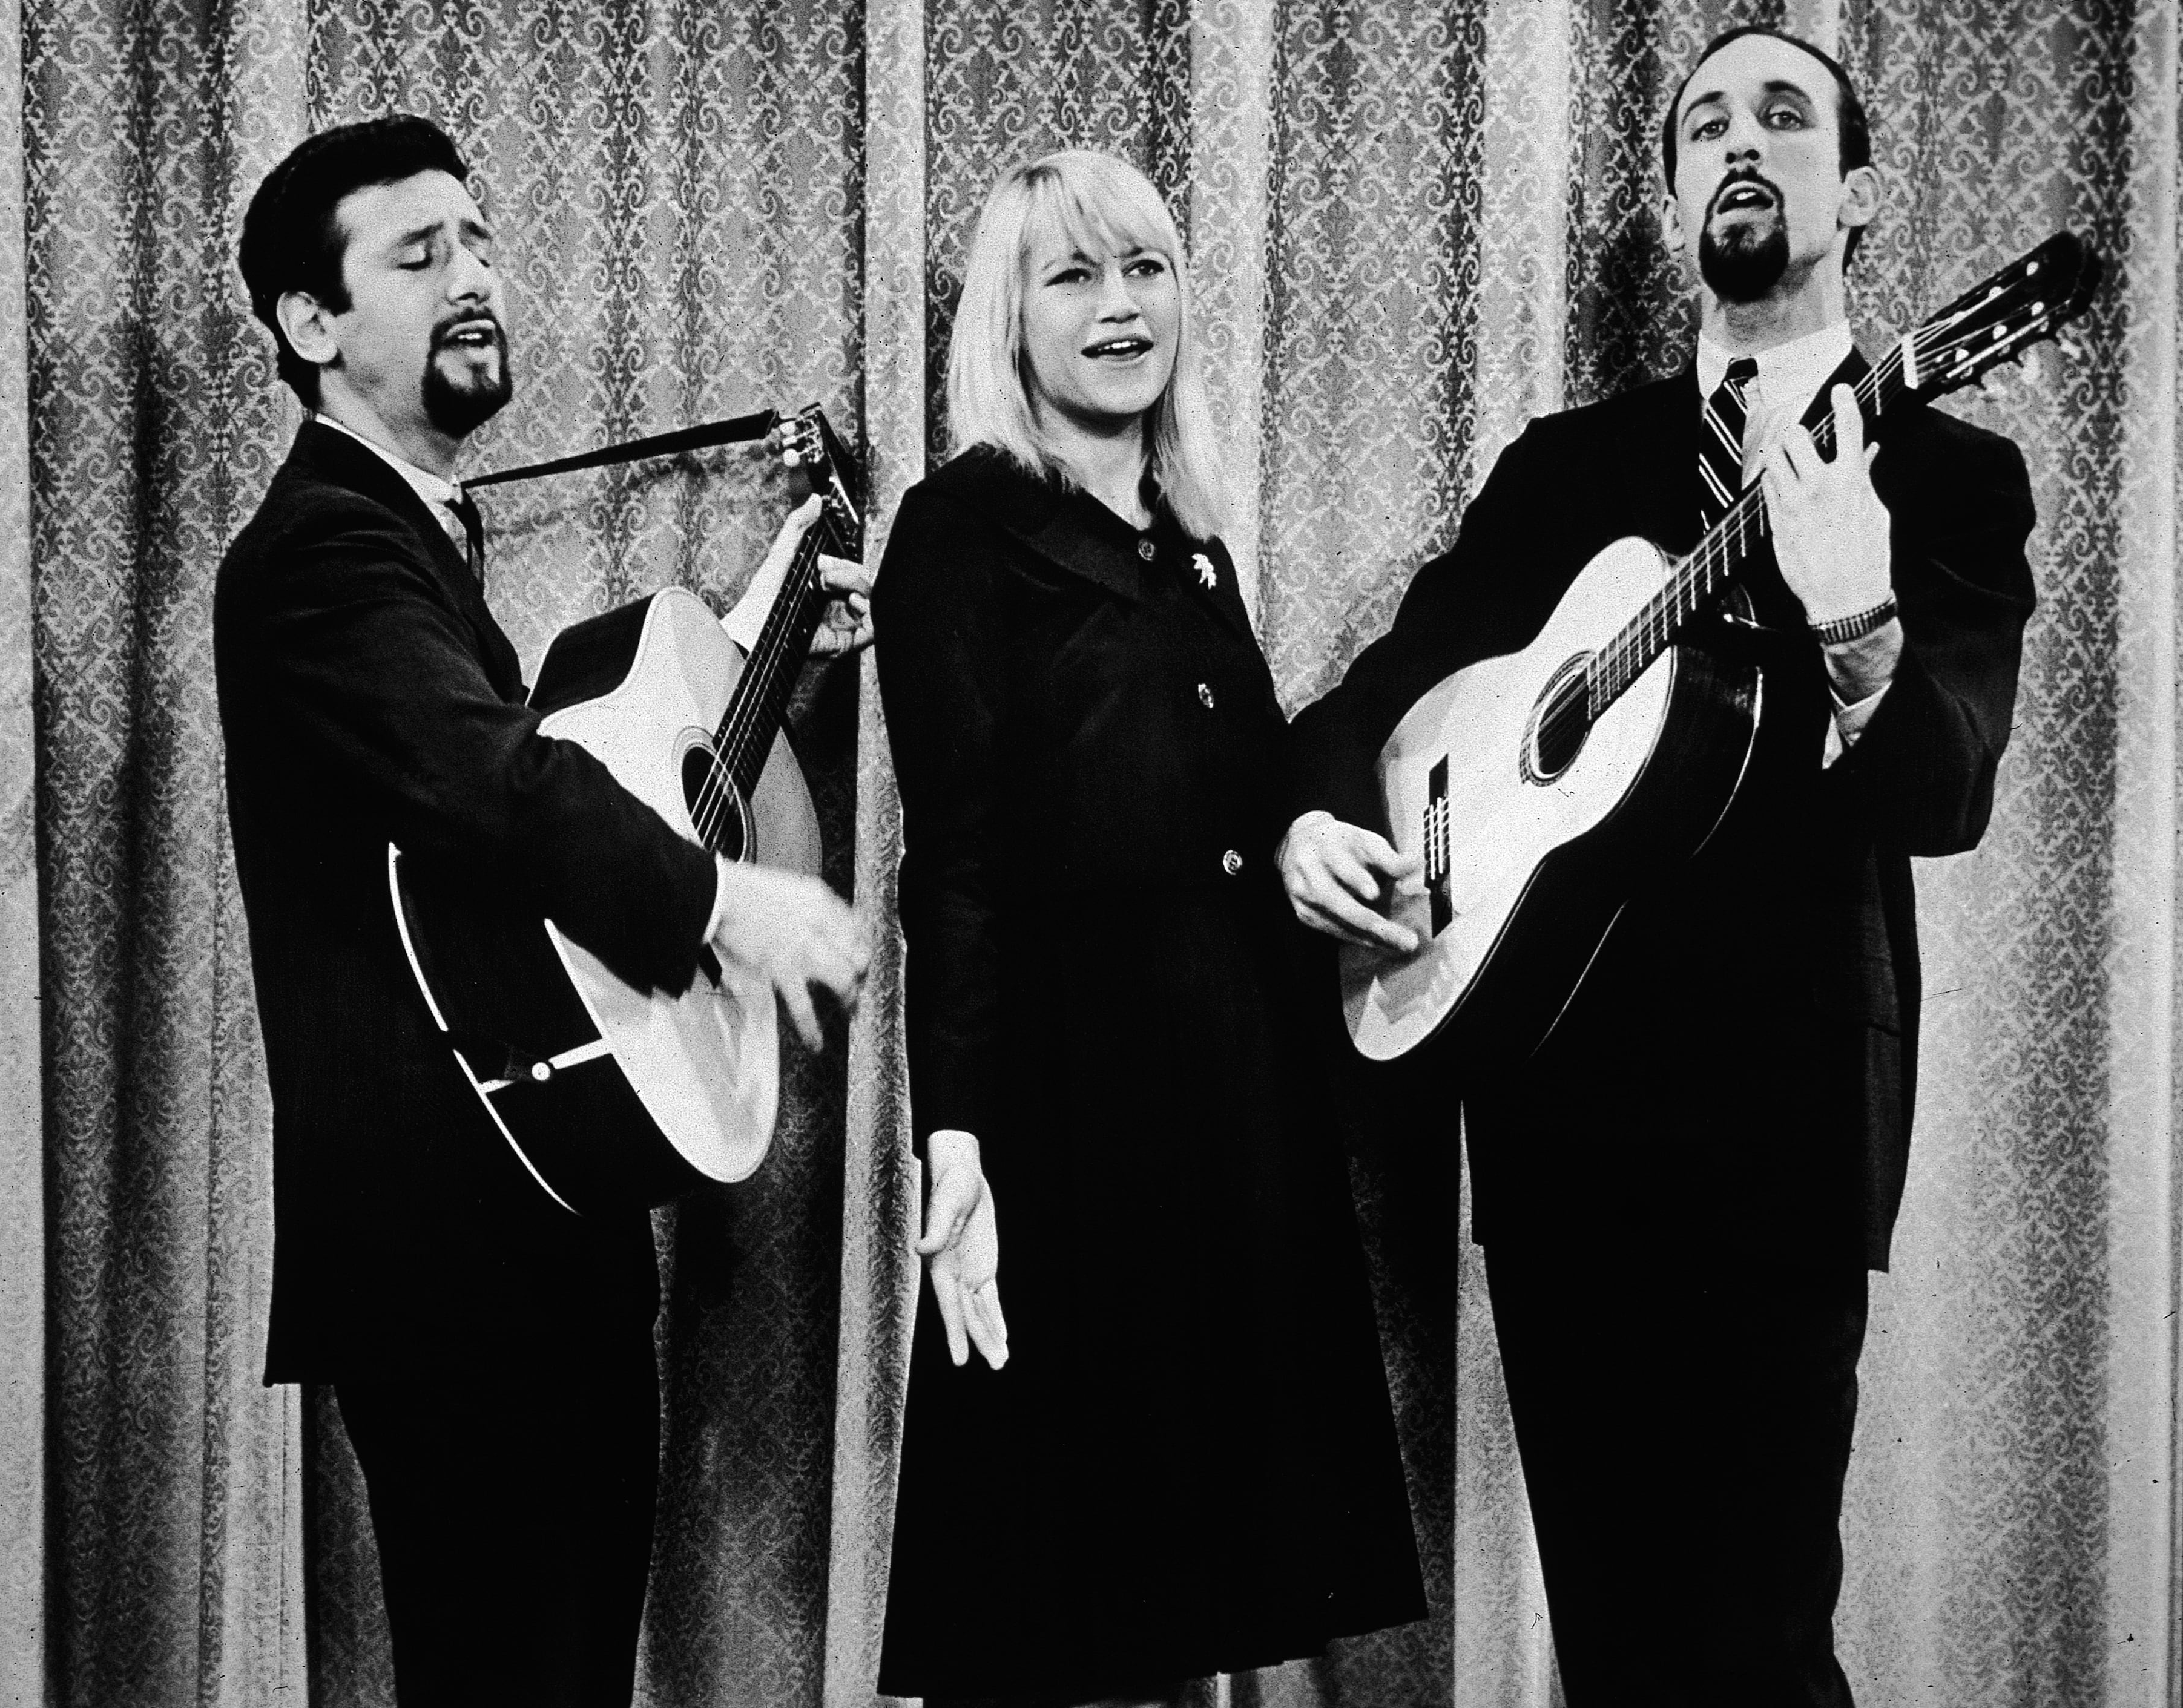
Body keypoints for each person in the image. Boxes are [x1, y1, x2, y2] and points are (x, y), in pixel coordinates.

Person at [1282, 27, 2036, 1707]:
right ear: (1675, 189)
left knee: (1759, 1648)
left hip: (1781, 1132)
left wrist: (1857, 616)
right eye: (1708, 126)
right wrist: (1320, 816)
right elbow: (1378, 698)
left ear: (1857, 189)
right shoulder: (1570, 470)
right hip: (1557, 1127)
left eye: (1786, 116)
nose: (1743, 146)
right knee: (1619, 1652)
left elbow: (1946, 787)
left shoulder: (1949, 475)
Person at [216, 114, 869, 1707]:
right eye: (419, 252)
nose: (474, 276)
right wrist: (730, 903)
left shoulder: (425, 543)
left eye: (481, 241)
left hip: (546, 1222)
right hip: (447, 1266)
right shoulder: (315, 555)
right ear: (312, 327)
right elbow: (494, 787)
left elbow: (535, 824)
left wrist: (780, 647)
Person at [872, 149, 1424, 1708]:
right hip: (1071, 1131)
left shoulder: (1191, 549)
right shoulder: (961, 530)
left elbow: (1234, 816)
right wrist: (958, 1138)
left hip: (1237, 1116)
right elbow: (956, 865)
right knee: (1065, 1623)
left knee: (1193, 1618)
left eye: (1145, 270)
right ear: (1009, 317)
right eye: (1074, 275)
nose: (1121, 307)